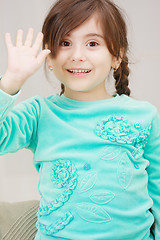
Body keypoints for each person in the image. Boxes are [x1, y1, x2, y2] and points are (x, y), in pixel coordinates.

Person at [0, 0, 159, 239]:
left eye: (92, 43)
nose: (77, 55)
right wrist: (11, 81)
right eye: (65, 43)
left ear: (117, 56)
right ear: (49, 57)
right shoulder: (39, 112)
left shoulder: (144, 115)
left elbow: (157, 187)